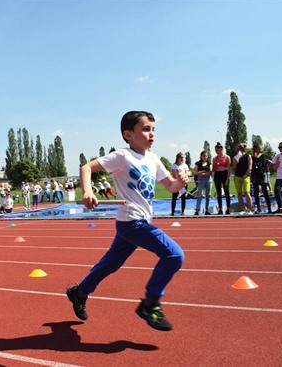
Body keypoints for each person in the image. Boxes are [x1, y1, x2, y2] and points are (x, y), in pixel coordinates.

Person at [65, 110, 189, 332]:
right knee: (174, 255)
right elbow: (86, 168)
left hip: (132, 223)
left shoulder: (153, 158)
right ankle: (150, 303)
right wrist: (87, 192)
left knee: (110, 264)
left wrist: (181, 182)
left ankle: (80, 292)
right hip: (132, 222)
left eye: (153, 129)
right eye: (145, 129)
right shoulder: (122, 156)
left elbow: (171, 186)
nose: (151, 134)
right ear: (128, 134)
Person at [251, 143, 272, 214]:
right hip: (255, 175)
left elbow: (263, 164)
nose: (260, 150)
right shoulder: (252, 157)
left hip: (262, 174)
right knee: (256, 192)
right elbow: (252, 165)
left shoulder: (263, 156)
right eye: (259, 148)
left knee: (265, 191)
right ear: (256, 149)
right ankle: (258, 208)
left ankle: (269, 207)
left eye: (261, 148)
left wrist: (258, 164)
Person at [232, 142, 253, 214]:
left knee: (247, 193)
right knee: (239, 193)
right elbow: (234, 168)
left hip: (246, 177)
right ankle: (242, 209)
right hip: (237, 176)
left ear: (242, 149)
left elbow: (250, 166)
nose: (236, 150)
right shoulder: (235, 157)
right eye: (235, 149)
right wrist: (235, 163)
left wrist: (245, 175)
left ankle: (250, 209)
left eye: (237, 149)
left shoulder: (248, 156)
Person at [212, 143, 231, 215]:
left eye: (217, 149)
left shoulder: (227, 157)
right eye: (215, 150)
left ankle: (228, 208)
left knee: (226, 192)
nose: (216, 151)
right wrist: (215, 165)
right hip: (217, 175)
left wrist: (227, 179)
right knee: (218, 192)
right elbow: (213, 170)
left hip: (224, 174)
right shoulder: (214, 158)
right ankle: (220, 208)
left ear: (221, 149)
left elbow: (229, 169)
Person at [193, 150, 212, 215]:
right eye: (204, 156)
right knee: (199, 194)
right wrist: (202, 172)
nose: (205, 157)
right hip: (200, 180)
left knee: (208, 195)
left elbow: (210, 172)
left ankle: (207, 209)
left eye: (206, 156)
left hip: (208, 179)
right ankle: (197, 210)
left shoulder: (209, 163)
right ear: (201, 156)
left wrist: (203, 173)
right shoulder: (197, 163)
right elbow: (195, 172)